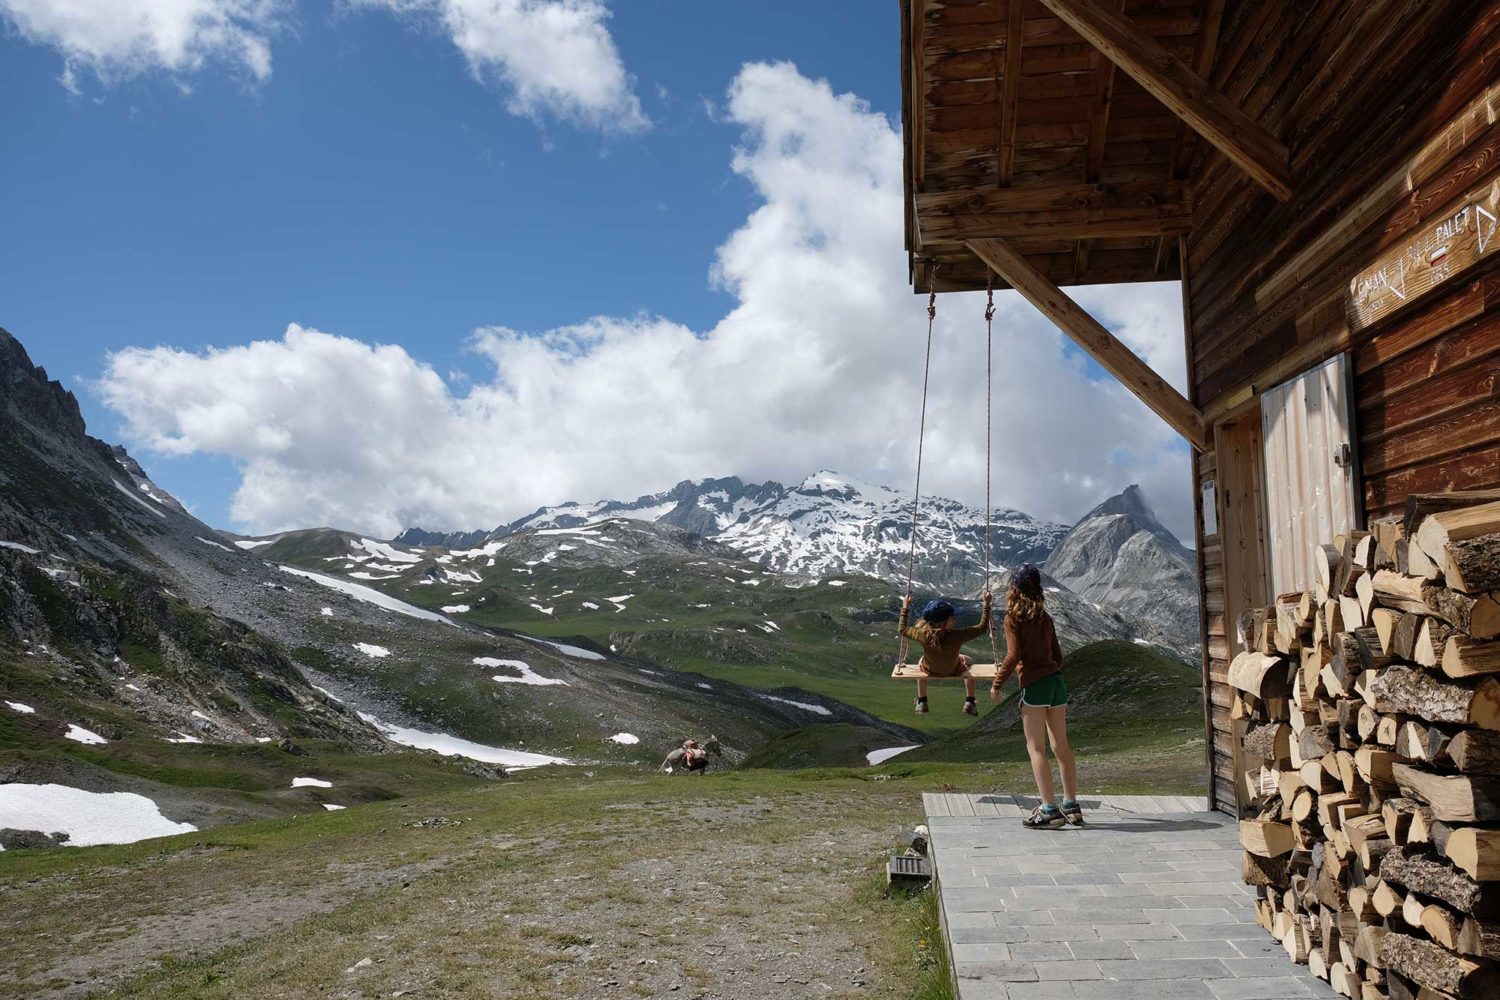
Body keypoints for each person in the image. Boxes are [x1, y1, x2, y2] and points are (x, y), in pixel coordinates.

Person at [990, 564, 1080, 828]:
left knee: (1036, 748)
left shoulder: (1012, 618)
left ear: (1014, 588)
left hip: (1035, 685)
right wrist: (1051, 670)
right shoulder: (1045, 617)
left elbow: (1013, 655)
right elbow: (1058, 655)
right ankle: (1071, 806)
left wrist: (997, 684)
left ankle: (1049, 810)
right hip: (1056, 683)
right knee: (1061, 745)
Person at [898, 591, 991, 716]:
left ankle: (922, 701)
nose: (955, 620)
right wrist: (986, 604)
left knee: (921, 661)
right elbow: (982, 627)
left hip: (930, 670)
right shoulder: (957, 636)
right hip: (953, 669)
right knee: (970, 661)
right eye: (952, 618)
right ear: (944, 623)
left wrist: (905, 607)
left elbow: (902, 629)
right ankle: (970, 700)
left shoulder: (923, 635)